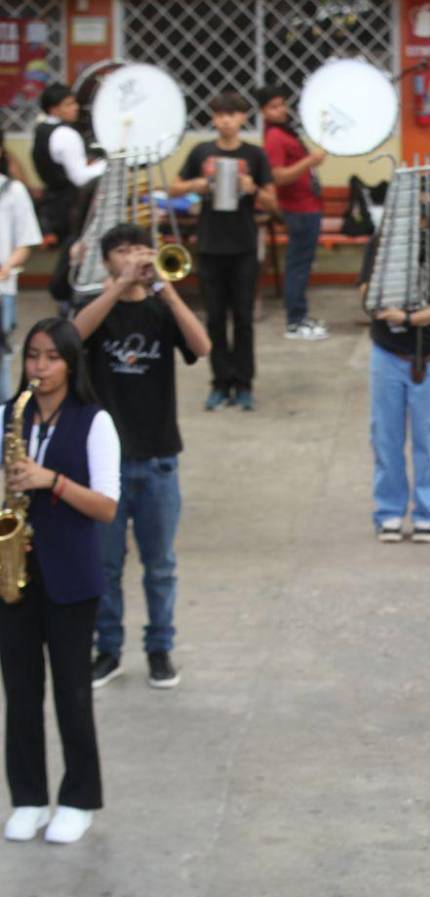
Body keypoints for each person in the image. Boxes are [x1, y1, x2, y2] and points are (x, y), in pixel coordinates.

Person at [71, 223, 211, 690]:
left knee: (161, 563)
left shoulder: (159, 309)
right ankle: (107, 648)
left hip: (158, 457)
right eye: (122, 251)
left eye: (139, 249)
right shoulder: (96, 306)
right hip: (103, 464)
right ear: (107, 260)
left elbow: (202, 346)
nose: (133, 257)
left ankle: (159, 648)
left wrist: (168, 293)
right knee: (106, 564)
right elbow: (71, 339)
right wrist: (117, 286)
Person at [0, 318, 119, 845]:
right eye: (32, 357)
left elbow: (107, 508)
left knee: (72, 693)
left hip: (72, 576)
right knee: (21, 692)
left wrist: (52, 481)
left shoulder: (94, 422)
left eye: (51, 358)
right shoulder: (8, 417)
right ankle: (27, 797)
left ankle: (78, 799)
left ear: (71, 364)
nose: (40, 368)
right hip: (15, 575)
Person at [169, 90, 275, 412]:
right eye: (220, 115)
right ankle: (219, 382)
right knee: (214, 318)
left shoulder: (255, 156)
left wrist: (252, 189)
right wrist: (195, 186)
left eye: (232, 114)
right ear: (213, 119)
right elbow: (174, 187)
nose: (226, 120)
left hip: (243, 245)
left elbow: (273, 201)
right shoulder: (200, 151)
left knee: (243, 318)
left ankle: (244, 383)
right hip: (210, 244)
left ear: (243, 118)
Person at [359, 213, 430, 544]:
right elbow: (366, 295)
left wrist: (408, 317)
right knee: (385, 435)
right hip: (386, 354)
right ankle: (389, 511)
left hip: (428, 357)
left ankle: (428, 512)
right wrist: (381, 297)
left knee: (429, 436)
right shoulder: (379, 242)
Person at [258, 86, 329, 341]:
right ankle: (295, 321)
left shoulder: (286, 132)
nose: (281, 110)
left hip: (308, 206)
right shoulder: (275, 137)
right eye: (274, 107)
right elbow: (277, 176)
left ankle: (301, 316)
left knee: (303, 264)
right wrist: (310, 161)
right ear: (263, 111)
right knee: (297, 266)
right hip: (298, 209)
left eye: (282, 105)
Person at [31, 84, 106, 314]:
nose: (75, 108)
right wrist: (108, 163)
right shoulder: (66, 134)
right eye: (69, 104)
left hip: (54, 202)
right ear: (55, 109)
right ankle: (68, 300)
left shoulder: (41, 129)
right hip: (69, 206)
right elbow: (80, 177)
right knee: (74, 255)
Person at [0, 169, 43, 399]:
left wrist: (6, 268)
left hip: (1, 290)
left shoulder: (12, 190)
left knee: (2, 361)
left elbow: (26, 241)